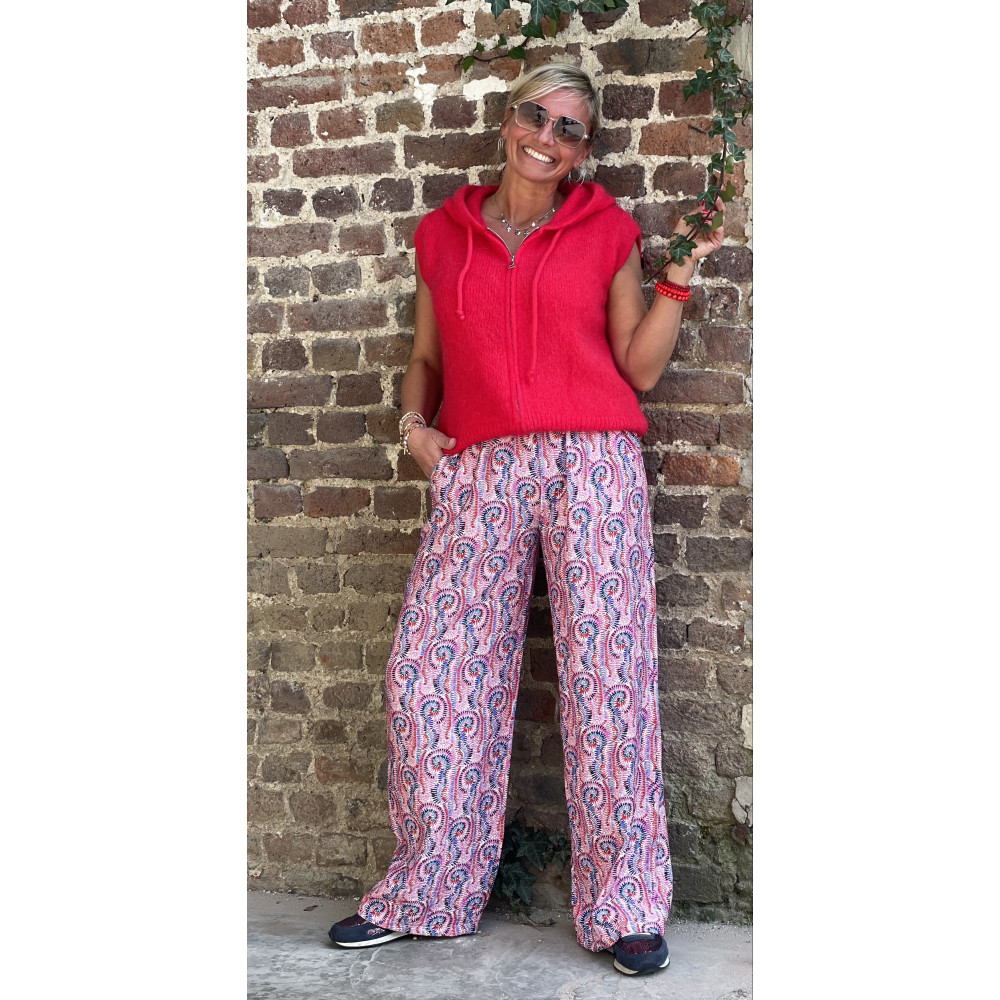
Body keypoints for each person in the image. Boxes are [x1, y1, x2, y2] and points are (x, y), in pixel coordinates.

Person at [328, 63, 725, 977]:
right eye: (534, 116)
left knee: (609, 678)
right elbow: (426, 356)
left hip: (593, 460)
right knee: (428, 670)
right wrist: (414, 430)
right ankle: (428, 890)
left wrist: (678, 274)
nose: (546, 137)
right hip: (481, 463)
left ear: (584, 150)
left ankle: (626, 906)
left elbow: (639, 368)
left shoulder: (606, 230)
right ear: (508, 122)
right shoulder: (443, 234)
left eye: (568, 128)